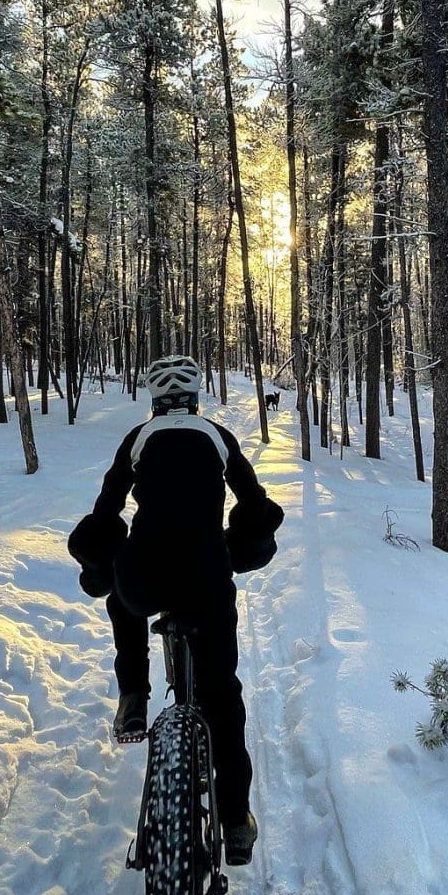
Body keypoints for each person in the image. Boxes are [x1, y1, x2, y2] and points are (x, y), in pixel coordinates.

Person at [68, 354, 283, 866]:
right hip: (207, 579)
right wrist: (239, 546)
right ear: (195, 395)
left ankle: (133, 696)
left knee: (124, 597)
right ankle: (234, 819)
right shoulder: (217, 437)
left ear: (153, 397)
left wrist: (102, 564)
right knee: (223, 697)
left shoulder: (138, 439)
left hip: (147, 575)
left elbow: (106, 513)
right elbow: (255, 505)